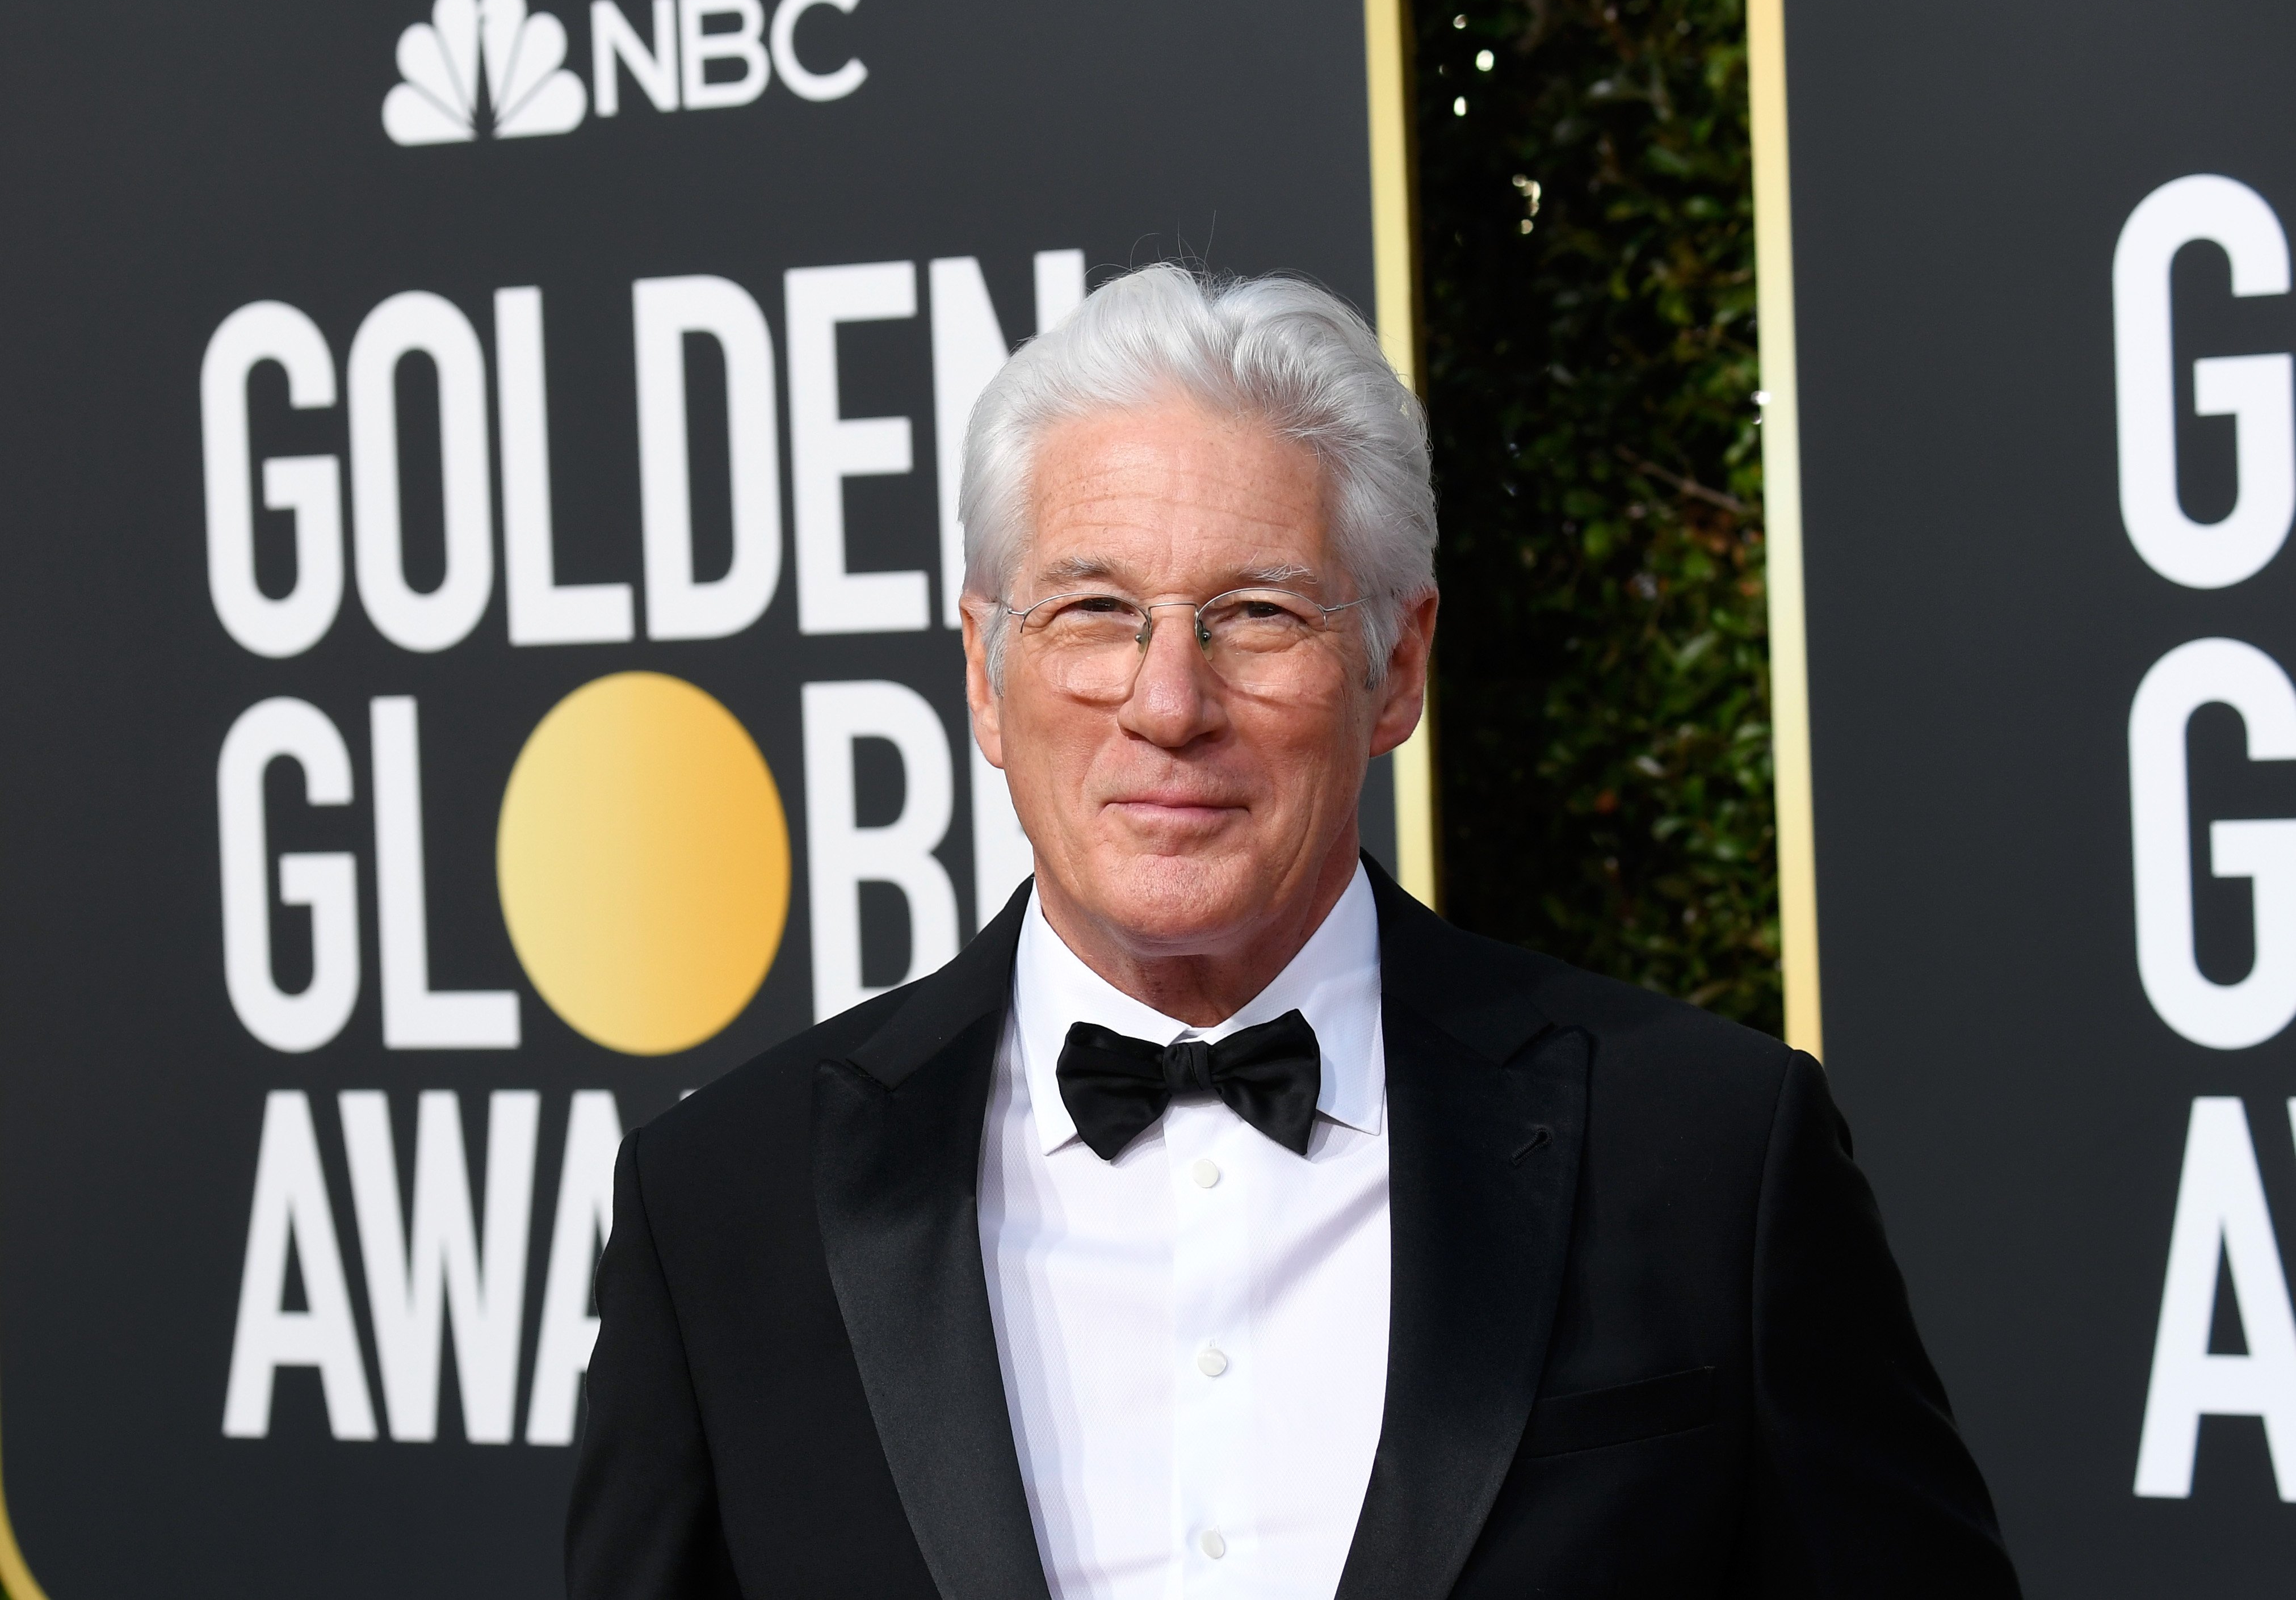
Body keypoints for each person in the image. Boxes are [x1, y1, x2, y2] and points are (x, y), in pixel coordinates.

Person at [565, 265, 2020, 1599]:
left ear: (1396, 669)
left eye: (1256, 615)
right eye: (1092, 610)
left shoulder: (1707, 1151)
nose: (1168, 703)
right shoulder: (725, 1207)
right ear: (984, 677)